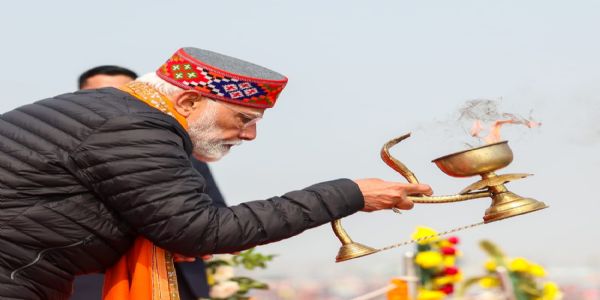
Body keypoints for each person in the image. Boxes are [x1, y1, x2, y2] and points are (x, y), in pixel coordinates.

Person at [0, 47, 432, 300]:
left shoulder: (109, 112)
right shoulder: (135, 126)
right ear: (187, 102)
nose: (250, 135)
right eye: (243, 118)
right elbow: (201, 232)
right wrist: (348, 194)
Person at [72, 65, 226, 300]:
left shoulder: (180, 150)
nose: (111, 102)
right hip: (93, 282)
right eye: (100, 94)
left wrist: (188, 238)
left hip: (175, 279)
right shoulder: (60, 151)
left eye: (122, 94)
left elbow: (214, 211)